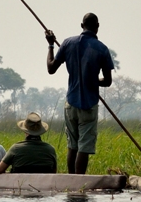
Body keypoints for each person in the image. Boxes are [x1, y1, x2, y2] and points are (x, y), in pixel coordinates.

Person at [44, 13, 114, 174]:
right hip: (89, 105)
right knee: (84, 145)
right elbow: (107, 81)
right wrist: (92, 80)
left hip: (71, 104)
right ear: (97, 27)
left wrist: (50, 46)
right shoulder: (102, 49)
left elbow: (51, 68)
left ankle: (71, 181)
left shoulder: (68, 43)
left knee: (73, 145)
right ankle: (79, 182)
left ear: (82, 26)